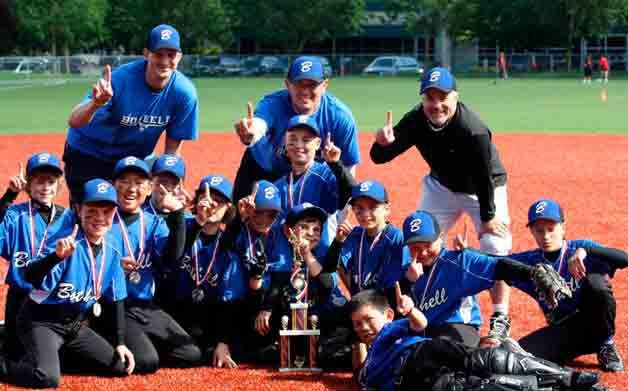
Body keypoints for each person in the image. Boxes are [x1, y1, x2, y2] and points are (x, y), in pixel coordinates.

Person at [370, 67, 513, 343]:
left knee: (495, 245)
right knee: (416, 242)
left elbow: (484, 176)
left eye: (443, 97)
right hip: (441, 186)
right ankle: (415, 306)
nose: (436, 104)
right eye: (429, 98)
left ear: (456, 96)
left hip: (483, 189)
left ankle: (499, 316)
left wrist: (487, 216)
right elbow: (380, 157)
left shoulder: (474, 130)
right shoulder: (416, 119)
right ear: (423, 100)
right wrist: (381, 144)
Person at [0, 179, 134, 388]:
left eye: (107, 211)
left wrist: (120, 342)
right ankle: (4, 365)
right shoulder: (65, 242)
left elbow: (117, 297)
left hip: (76, 326)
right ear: (78, 210)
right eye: (92, 210)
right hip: (41, 320)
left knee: (118, 366)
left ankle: (51, 356)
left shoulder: (113, 246)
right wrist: (55, 257)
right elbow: (31, 277)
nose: (100, 218)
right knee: (47, 378)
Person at [350, 289, 607, 391]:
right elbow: (360, 374)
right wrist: (359, 350)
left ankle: (568, 378)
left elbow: (420, 324)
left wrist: (410, 309)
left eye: (368, 320)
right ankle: (561, 387)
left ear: (388, 315)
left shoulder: (390, 331)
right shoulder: (367, 369)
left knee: (487, 360)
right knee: (484, 387)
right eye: (357, 325)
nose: (363, 327)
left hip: (424, 352)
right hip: (415, 381)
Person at [64, 24, 198, 204]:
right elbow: (74, 121)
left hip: (132, 160)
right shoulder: (121, 79)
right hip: (88, 152)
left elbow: (172, 149)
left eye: (171, 55)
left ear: (179, 57)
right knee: (91, 215)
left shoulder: (184, 93)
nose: (165, 61)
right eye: (159, 54)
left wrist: (171, 184)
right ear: (146, 53)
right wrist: (95, 104)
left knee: (136, 214)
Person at [401, 210, 570, 348]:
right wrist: (408, 282)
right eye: (415, 247)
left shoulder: (459, 261)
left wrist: (532, 273)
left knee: (444, 361)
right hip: (420, 331)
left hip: (456, 329)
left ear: (441, 237)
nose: (422, 253)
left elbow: (499, 266)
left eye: (428, 245)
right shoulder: (404, 270)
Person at [103, 156, 201, 373]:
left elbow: (170, 258)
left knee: (191, 354)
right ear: (113, 186)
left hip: (144, 305)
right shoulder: (103, 219)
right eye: (124, 182)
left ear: (148, 189)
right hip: (113, 305)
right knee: (147, 362)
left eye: (138, 183)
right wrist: (111, 264)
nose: (131, 188)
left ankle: (139, 342)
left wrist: (177, 215)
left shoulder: (153, 222)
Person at [508, 199, 627, 372]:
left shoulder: (580, 248)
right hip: (563, 332)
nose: (546, 236)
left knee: (596, 283)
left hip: (596, 324)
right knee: (516, 357)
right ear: (532, 232)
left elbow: (624, 259)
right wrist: (464, 252)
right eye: (539, 231)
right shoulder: (529, 261)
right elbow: (494, 263)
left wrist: (587, 252)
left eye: (551, 229)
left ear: (563, 227)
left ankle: (606, 345)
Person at [232, 55, 360, 202]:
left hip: (307, 173)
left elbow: (348, 166)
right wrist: (252, 130)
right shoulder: (273, 104)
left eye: (312, 85)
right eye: (299, 84)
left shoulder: (340, 117)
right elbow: (260, 123)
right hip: (262, 167)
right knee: (241, 217)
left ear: (324, 85)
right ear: (287, 84)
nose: (305, 91)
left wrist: (341, 217)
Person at [166, 175, 247, 369]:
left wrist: (223, 341)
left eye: (219, 201)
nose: (211, 204)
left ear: (229, 208)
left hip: (206, 317)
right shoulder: (182, 228)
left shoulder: (229, 244)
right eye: (205, 197)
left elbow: (230, 299)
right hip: (172, 311)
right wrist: (199, 222)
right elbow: (169, 262)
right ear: (196, 202)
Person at [0, 153, 74, 360]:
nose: (45, 187)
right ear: (28, 185)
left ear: (58, 185)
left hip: (53, 296)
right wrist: (9, 195)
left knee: (57, 355)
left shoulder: (68, 217)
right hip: (21, 294)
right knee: (14, 354)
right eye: (39, 181)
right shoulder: (15, 214)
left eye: (50, 181)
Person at [272, 115, 356, 247]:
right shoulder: (278, 186)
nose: (299, 145)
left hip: (320, 257)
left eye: (306, 140)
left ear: (317, 144)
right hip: (286, 259)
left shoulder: (326, 175)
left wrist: (336, 164)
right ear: (285, 141)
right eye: (293, 139)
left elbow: (352, 192)